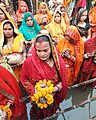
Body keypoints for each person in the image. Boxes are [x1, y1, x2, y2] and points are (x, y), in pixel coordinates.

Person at [20, 32, 68, 119]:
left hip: (53, 99)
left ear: (51, 48)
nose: (42, 54)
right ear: (35, 49)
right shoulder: (29, 62)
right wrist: (34, 89)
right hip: (36, 99)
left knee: (52, 115)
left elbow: (64, 80)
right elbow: (24, 79)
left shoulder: (57, 62)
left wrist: (54, 89)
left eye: (45, 50)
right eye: (39, 51)